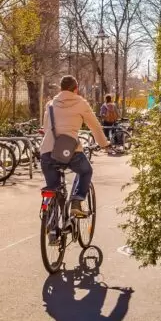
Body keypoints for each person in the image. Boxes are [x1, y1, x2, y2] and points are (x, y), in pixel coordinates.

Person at [40, 76, 110, 217]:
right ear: (76, 89)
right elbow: (95, 126)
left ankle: (53, 228)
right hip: (70, 150)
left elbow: (46, 127)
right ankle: (76, 202)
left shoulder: (50, 104)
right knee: (85, 171)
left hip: (47, 151)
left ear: (61, 88)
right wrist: (104, 144)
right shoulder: (81, 103)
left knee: (53, 188)